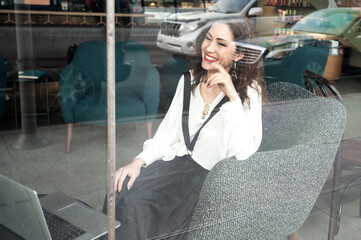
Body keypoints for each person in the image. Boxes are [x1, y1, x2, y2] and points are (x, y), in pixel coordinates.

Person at [103, 19, 267, 239]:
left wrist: (232, 97)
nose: (209, 48)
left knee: (137, 207)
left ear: (238, 55)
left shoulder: (248, 92)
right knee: (119, 189)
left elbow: (242, 152)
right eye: (208, 38)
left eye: (221, 43)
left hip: (211, 181)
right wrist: (138, 161)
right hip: (178, 167)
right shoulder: (189, 80)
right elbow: (167, 133)